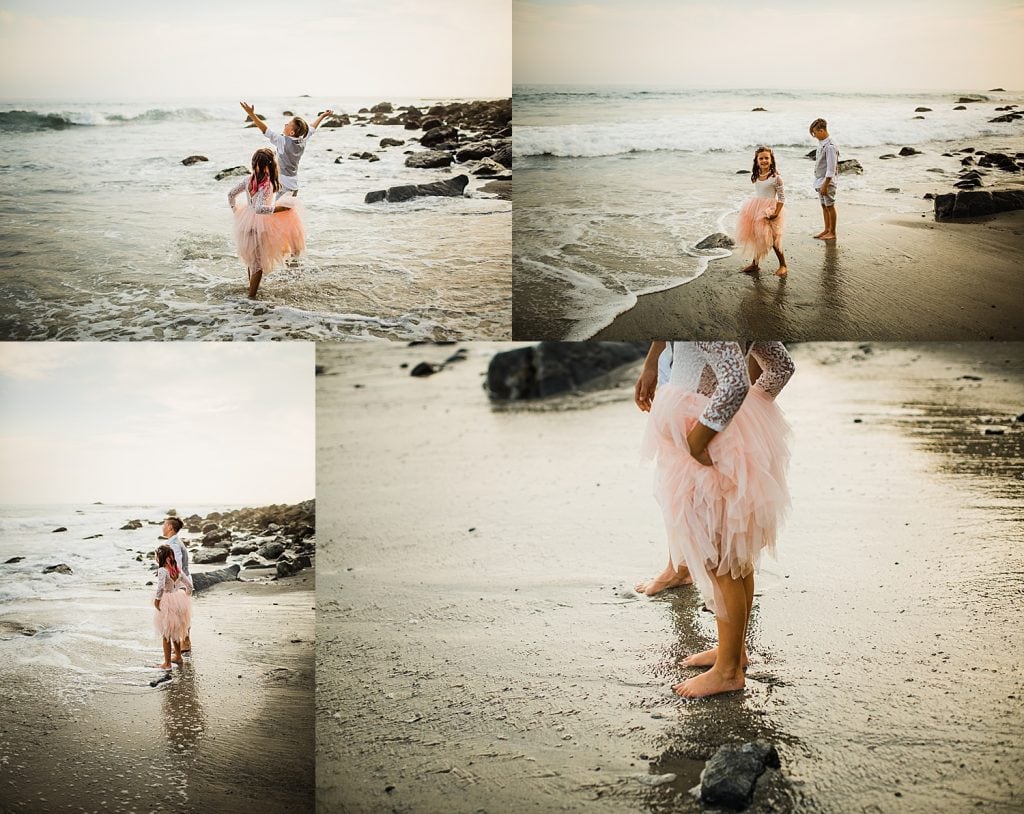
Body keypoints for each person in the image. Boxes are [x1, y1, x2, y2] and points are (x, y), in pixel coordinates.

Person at [635, 341, 794, 698]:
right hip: (727, 437)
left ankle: (728, 672)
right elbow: (780, 366)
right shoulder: (741, 307)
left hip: (707, 443)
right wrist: (750, 415)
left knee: (720, 561)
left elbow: (736, 383)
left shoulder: (704, 315)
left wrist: (699, 437)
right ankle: (733, 652)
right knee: (736, 559)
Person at [227, 148, 305, 299]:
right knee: (257, 263)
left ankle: (251, 290)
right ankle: (251, 297)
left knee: (252, 259)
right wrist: (280, 208)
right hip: (259, 224)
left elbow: (231, 194)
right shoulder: (267, 184)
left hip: (245, 221)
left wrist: (235, 210)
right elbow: (259, 208)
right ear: (271, 165)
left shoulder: (248, 179)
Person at [239, 102, 334, 199]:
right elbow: (312, 128)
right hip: (294, 186)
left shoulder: (282, 141)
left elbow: (266, 131)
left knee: (271, 212)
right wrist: (322, 116)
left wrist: (252, 115)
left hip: (284, 187)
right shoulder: (303, 139)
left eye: (288, 124)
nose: (285, 124)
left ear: (292, 132)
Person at [736, 146, 788, 277]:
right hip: (756, 208)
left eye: (766, 158)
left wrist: (776, 212)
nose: (764, 160)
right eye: (761, 158)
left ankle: (783, 265)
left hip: (770, 210)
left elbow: (782, 197)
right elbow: (759, 192)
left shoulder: (776, 177)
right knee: (757, 236)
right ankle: (755, 264)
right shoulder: (756, 175)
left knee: (773, 239)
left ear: (771, 160)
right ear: (756, 161)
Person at [153, 544, 193, 670]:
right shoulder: (177, 569)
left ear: (161, 557)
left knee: (166, 633)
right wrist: (185, 597)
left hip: (167, 601)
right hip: (179, 599)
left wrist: (157, 601)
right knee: (175, 631)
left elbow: (160, 588)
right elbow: (189, 586)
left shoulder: (162, 571)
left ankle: (167, 663)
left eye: (156, 556)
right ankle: (178, 657)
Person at [160, 517, 192, 653]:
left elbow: (176, 565)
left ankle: (184, 644)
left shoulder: (173, 544)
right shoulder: (175, 541)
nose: (162, 527)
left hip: (179, 584)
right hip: (183, 581)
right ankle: (185, 642)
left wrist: (166, 579)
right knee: (182, 615)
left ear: (170, 528)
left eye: (164, 524)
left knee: (178, 616)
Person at [809, 118, 839, 240]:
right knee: (824, 205)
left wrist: (825, 185)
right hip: (820, 180)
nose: (814, 136)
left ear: (821, 131)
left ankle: (832, 232)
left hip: (827, 182)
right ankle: (827, 229)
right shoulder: (822, 144)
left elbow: (831, 169)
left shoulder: (830, 146)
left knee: (830, 206)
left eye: (814, 133)